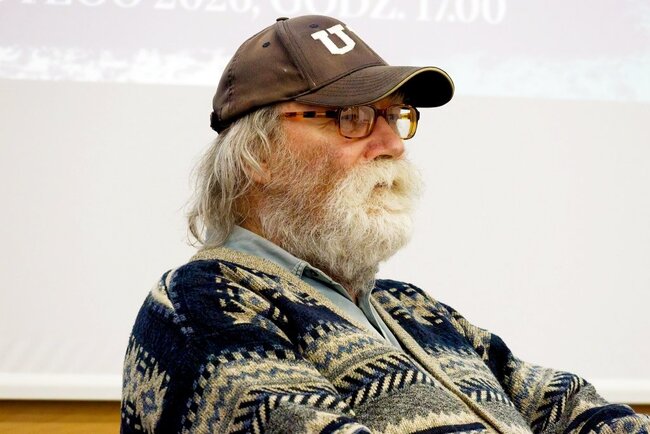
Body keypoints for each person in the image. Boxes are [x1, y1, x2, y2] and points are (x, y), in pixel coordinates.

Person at [120, 15, 649, 434]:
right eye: (351, 117)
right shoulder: (202, 305)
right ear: (258, 154)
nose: (393, 144)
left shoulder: (408, 306)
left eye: (393, 116)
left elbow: (566, 407)